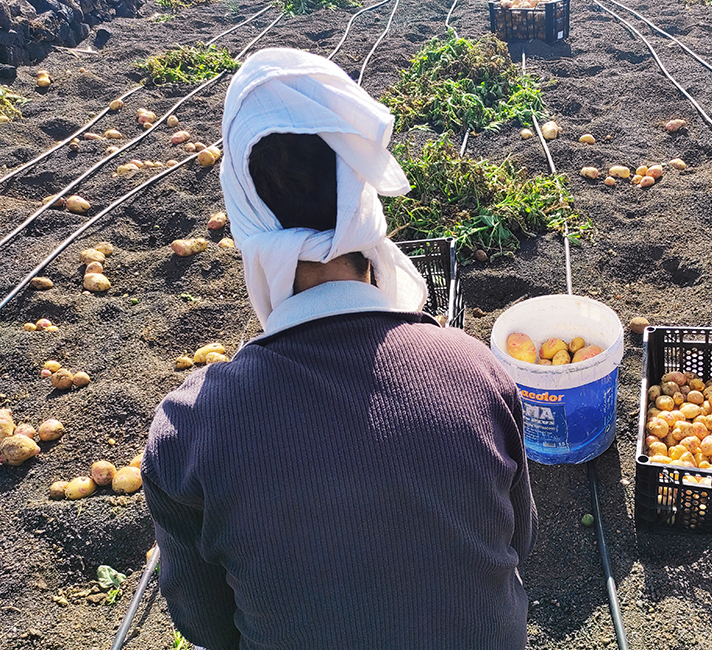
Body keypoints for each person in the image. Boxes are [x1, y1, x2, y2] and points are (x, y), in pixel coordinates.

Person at [141, 48, 536, 650]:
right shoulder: (474, 371)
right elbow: (517, 541)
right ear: (364, 202)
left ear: (244, 217)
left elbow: (204, 625)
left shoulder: (191, 427)